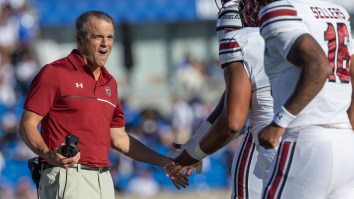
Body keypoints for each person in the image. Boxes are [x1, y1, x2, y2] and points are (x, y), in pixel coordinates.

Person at [18, 10, 187, 199]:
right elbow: (27, 125)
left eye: (110, 37)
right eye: (97, 37)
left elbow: (119, 138)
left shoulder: (110, 83)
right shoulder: (55, 73)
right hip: (68, 176)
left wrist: (166, 161)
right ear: (80, 40)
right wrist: (47, 154)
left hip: (104, 180)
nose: (105, 44)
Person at [238, 0, 354, 198]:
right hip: (345, 144)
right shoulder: (336, 11)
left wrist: (279, 123)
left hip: (305, 142)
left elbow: (319, 66)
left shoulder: (281, 10)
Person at [169, 0, 274, 198]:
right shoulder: (306, 30)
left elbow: (233, 123)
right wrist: (198, 139)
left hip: (268, 141)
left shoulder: (242, 41)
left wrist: (195, 153)